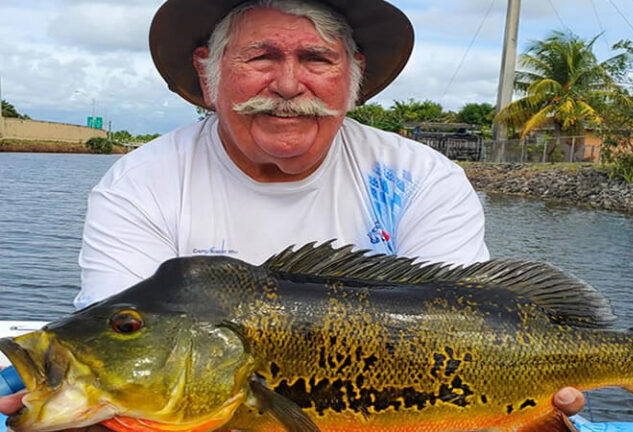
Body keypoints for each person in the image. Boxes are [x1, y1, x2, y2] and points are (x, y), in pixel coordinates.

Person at [0, 0, 584, 428]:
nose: (287, 83)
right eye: (260, 57)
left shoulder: (420, 177)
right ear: (208, 72)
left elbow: (473, 317)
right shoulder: (141, 183)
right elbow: (128, 337)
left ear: (351, 75)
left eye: (316, 58)